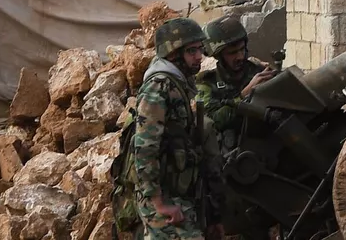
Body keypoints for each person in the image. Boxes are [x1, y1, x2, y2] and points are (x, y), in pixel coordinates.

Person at [118, 17, 223, 240]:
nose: (199, 57)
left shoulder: (178, 83)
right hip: (162, 197)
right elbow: (145, 147)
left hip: (179, 193)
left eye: (200, 49)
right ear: (174, 54)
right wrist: (159, 202)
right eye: (192, 51)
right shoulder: (159, 87)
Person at [194, 17, 278, 240]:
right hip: (227, 165)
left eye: (241, 50)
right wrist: (245, 95)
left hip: (263, 158)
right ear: (219, 55)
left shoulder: (258, 71)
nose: (239, 57)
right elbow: (213, 118)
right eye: (232, 52)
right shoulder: (207, 83)